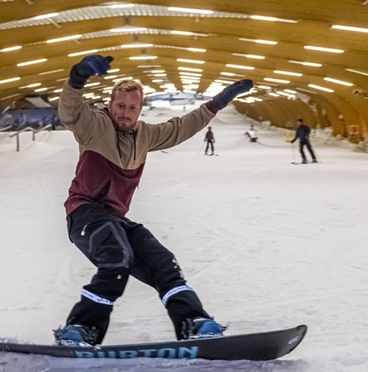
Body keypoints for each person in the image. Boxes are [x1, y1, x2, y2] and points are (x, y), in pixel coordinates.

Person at [54, 54, 253, 346]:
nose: (125, 113)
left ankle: (193, 323)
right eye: (120, 106)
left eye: (132, 108)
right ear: (110, 104)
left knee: (163, 264)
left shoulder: (146, 134)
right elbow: (70, 111)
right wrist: (77, 77)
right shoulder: (94, 126)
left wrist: (218, 101)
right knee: (116, 260)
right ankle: (82, 328)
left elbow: (182, 127)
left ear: (139, 109)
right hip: (85, 214)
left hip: (116, 220)